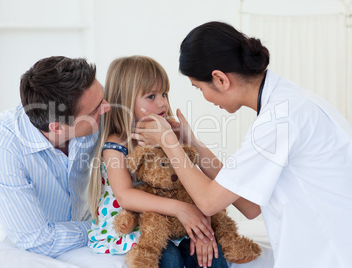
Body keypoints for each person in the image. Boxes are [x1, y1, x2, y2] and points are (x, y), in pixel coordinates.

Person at [133, 21, 352, 267]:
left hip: (333, 254)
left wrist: (169, 143)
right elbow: (250, 206)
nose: (204, 97)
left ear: (220, 79)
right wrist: (191, 142)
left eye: (199, 88)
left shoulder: (279, 120)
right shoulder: (288, 105)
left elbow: (209, 201)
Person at [87, 55, 228, 268]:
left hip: (172, 223)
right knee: (167, 257)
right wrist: (182, 209)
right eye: (151, 96)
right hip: (134, 225)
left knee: (212, 255)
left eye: (164, 94)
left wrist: (199, 222)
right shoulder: (116, 144)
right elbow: (125, 196)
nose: (163, 102)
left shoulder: (170, 135)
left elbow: (191, 184)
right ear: (125, 99)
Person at [0, 56, 111, 258]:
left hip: (89, 244)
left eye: (103, 97)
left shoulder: (90, 113)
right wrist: (107, 228)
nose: (107, 107)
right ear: (58, 127)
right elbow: (37, 241)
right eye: (96, 110)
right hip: (26, 253)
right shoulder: (1, 147)